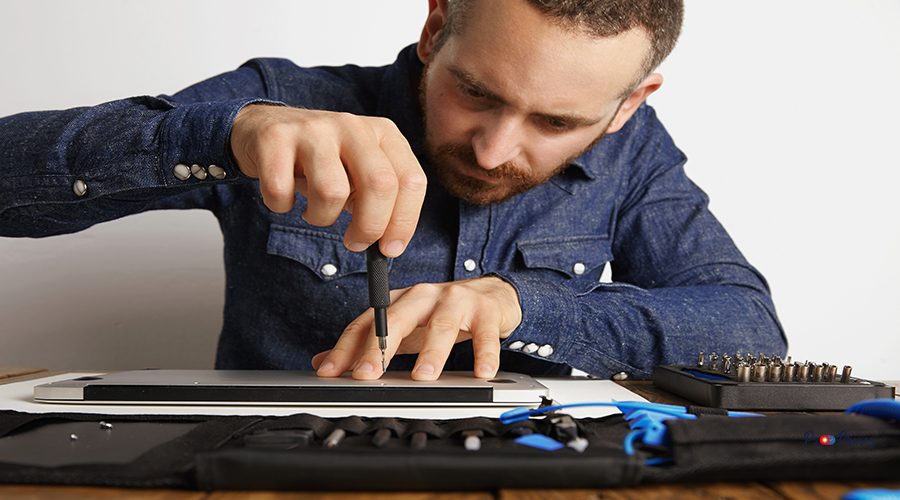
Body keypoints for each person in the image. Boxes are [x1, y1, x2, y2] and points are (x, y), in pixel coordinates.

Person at [0, 0, 786, 381]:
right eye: (476, 93)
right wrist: (220, 134)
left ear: (629, 105)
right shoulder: (287, 98)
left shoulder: (634, 152)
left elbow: (746, 325)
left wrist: (522, 307)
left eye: (554, 120)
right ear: (436, 26)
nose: (495, 148)